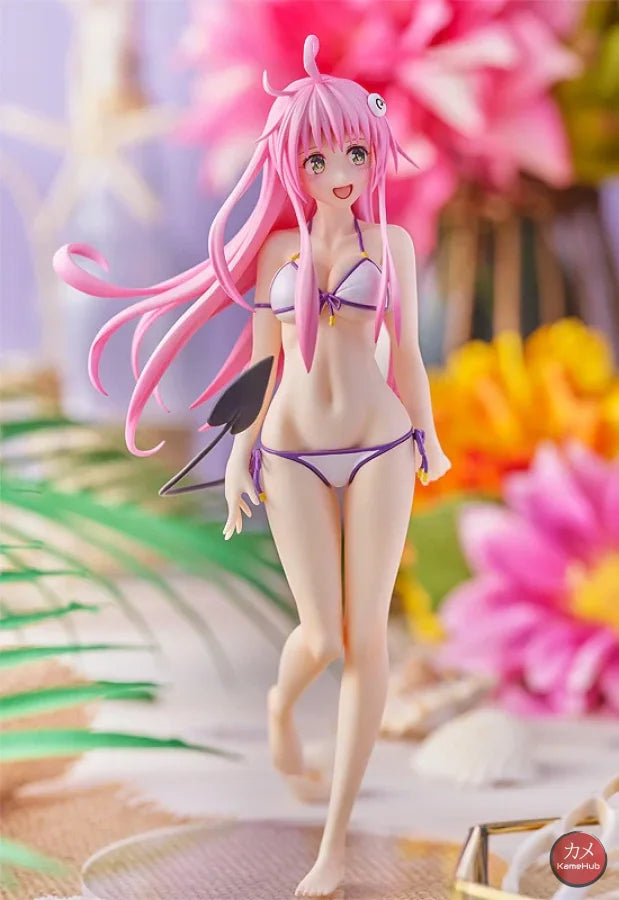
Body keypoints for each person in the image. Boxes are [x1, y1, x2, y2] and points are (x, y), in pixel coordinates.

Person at [54, 33, 450, 898]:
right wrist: (240, 453)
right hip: (294, 452)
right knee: (320, 636)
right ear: (288, 164)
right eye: (317, 158)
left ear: (373, 150)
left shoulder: (392, 245)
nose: (339, 173)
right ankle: (279, 710)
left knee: (367, 642)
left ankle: (333, 842)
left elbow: (408, 356)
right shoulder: (276, 254)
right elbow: (264, 364)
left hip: (381, 445)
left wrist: (427, 435)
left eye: (354, 153)